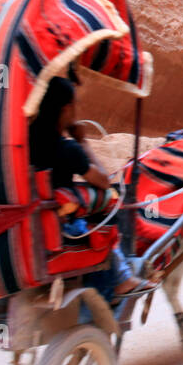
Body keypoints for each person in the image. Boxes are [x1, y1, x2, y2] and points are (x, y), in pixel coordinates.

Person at [28, 75, 148, 296]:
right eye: (76, 105)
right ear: (66, 109)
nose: (77, 109)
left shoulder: (23, 139)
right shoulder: (68, 149)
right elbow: (103, 180)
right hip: (57, 229)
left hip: (26, 224)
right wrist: (82, 142)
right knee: (107, 206)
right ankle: (120, 278)